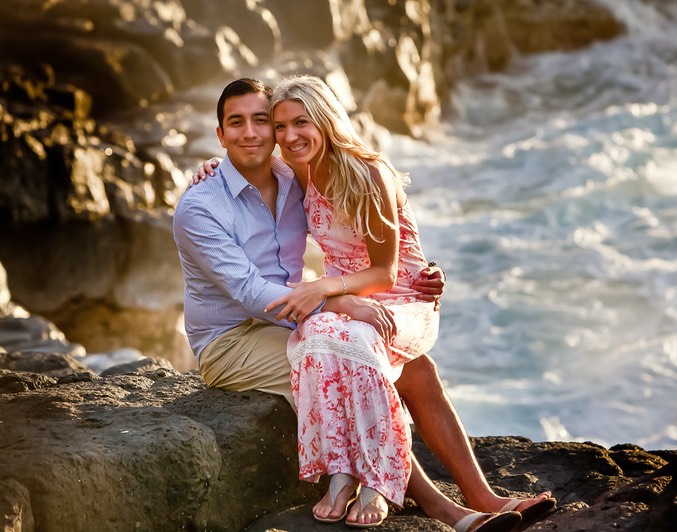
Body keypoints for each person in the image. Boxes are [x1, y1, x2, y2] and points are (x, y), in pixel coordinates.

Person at [182, 77, 554, 531]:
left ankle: (481, 495)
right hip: (231, 340)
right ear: (220, 135)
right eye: (235, 124)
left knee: (417, 370)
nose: (254, 133)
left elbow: (381, 243)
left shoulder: (290, 173)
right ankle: (444, 509)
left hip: (287, 313)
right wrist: (340, 304)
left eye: (263, 121)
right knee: (348, 361)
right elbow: (251, 293)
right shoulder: (201, 208)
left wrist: (414, 274)